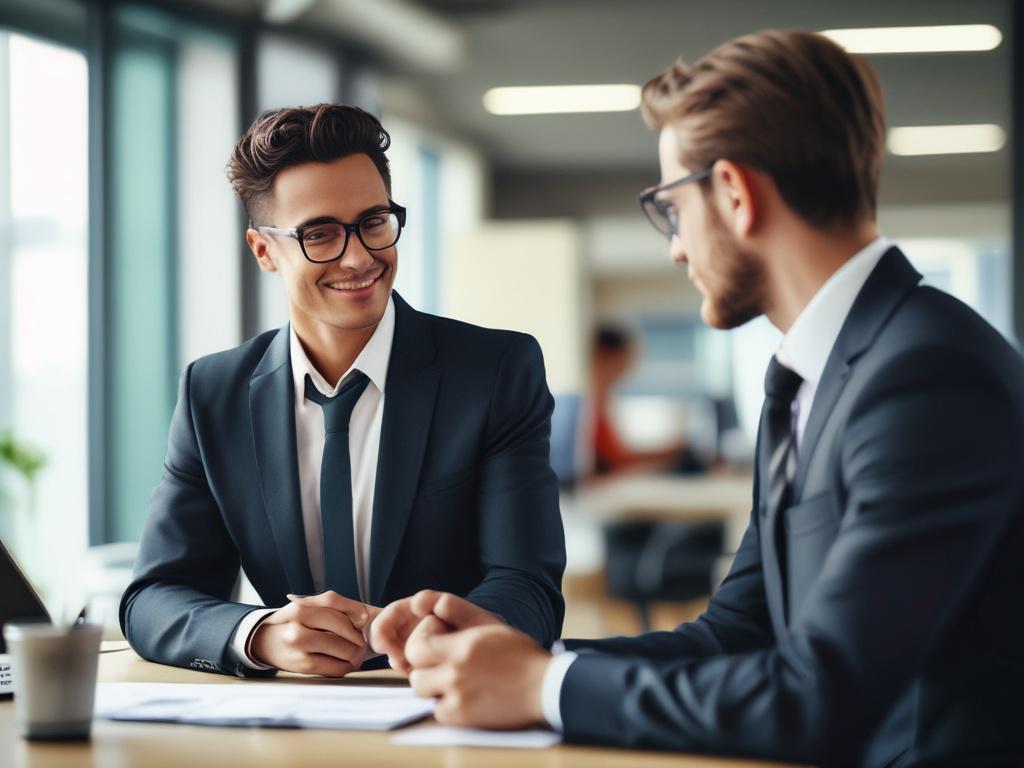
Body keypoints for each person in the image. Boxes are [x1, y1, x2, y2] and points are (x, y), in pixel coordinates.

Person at [390, 29, 1024, 766]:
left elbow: (819, 699)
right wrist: (521, 658)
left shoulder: (929, 376)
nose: (676, 246)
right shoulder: (816, 377)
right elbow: (734, 635)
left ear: (733, 193)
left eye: (670, 208)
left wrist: (544, 687)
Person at [119, 104, 565, 678]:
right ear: (264, 251)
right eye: (319, 234)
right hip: (287, 725)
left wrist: (434, 635)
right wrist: (259, 634)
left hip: (447, 706)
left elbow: (528, 586)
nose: (358, 257)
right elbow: (154, 597)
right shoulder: (214, 392)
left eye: (373, 222)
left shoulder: (496, 370)